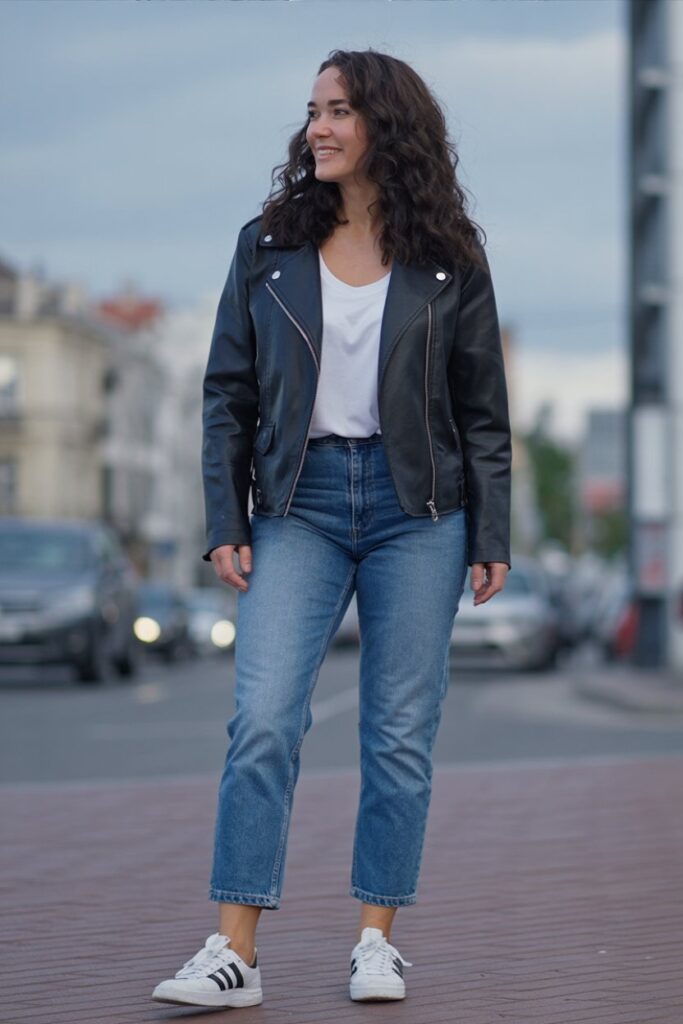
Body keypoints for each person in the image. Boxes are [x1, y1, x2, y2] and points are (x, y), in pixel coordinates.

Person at [152, 47, 512, 1010]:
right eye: (313, 109)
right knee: (263, 720)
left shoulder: (449, 256)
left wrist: (492, 535)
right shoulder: (267, 244)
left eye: (340, 109)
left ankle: (375, 941)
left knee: (397, 733)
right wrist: (225, 516)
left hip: (418, 512)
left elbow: (482, 411)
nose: (317, 126)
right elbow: (227, 392)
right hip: (297, 503)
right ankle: (234, 951)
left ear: (387, 124)